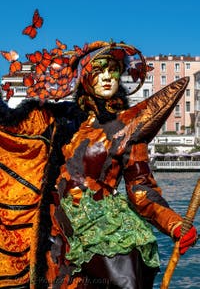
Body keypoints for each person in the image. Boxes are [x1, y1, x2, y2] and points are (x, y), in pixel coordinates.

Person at [0, 40, 197, 289]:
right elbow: (12, 131)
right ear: (85, 76)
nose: (107, 76)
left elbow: (140, 188)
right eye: (99, 69)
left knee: (130, 277)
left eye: (113, 69)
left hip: (105, 219)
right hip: (59, 217)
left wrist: (174, 223)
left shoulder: (127, 127)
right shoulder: (59, 119)